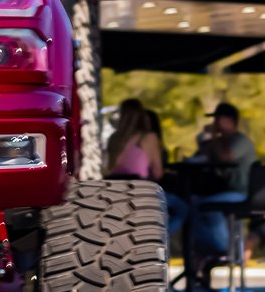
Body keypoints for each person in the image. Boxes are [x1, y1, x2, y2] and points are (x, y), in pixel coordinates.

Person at [105, 99, 187, 234]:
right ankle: (158, 238)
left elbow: (108, 168)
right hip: (141, 192)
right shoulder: (148, 137)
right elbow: (158, 173)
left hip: (115, 194)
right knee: (182, 209)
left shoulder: (114, 139)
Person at [190, 102, 257, 260]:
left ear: (229, 120)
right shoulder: (219, 142)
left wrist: (214, 137)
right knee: (194, 205)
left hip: (239, 192)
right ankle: (212, 248)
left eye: (218, 120)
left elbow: (227, 157)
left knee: (205, 207)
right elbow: (201, 157)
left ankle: (226, 249)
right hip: (222, 191)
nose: (214, 124)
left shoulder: (241, 140)